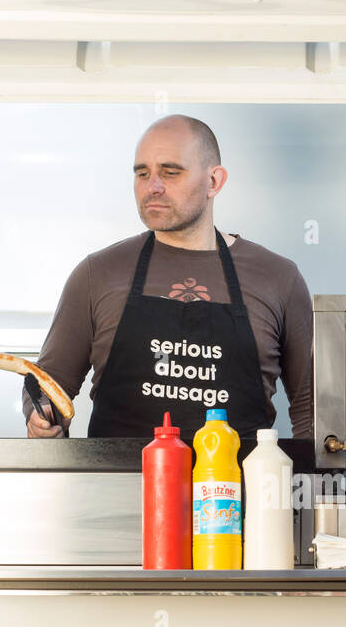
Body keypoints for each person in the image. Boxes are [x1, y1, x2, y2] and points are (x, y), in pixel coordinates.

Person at [24, 115, 313, 439]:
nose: (153, 187)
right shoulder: (97, 274)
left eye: (170, 172)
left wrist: (319, 488)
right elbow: (48, 382)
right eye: (142, 173)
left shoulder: (278, 278)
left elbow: (311, 408)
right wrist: (41, 417)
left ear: (214, 181)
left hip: (237, 487)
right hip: (114, 487)